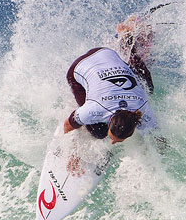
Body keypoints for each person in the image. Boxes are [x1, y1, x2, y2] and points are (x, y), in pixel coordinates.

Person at [63, 16, 159, 145]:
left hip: (107, 53)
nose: (112, 142)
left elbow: (158, 137)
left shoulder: (144, 110)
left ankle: (126, 39)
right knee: (99, 133)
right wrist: (67, 147)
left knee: (149, 88)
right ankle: (127, 39)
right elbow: (68, 124)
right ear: (110, 120)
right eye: (115, 139)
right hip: (80, 67)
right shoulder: (93, 111)